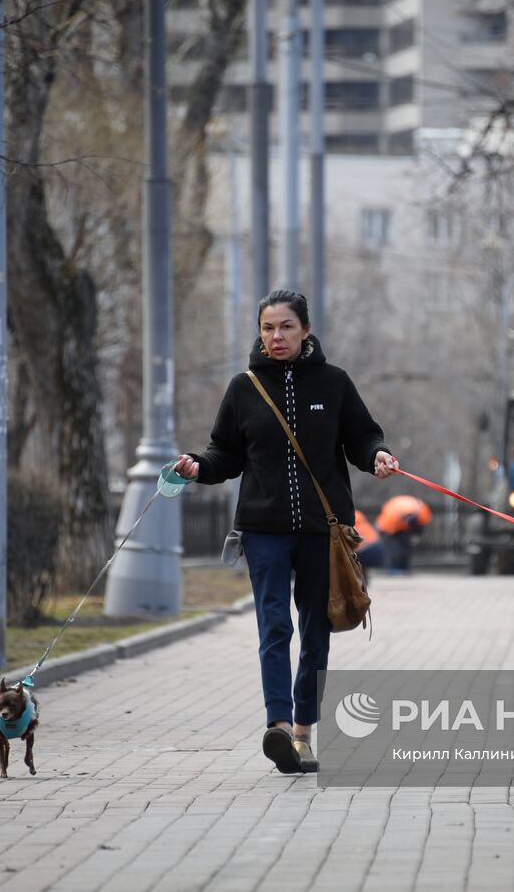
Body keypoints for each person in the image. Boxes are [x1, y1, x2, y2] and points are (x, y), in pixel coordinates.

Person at [174, 290, 398, 776]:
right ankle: (278, 727)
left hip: (323, 531)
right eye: (268, 329)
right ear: (260, 333)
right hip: (263, 530)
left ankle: (304, 732)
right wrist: (198, 468)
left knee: (316, 630)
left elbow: (362, 436)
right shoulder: (243, 388)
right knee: (275, 626)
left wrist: (376, 455)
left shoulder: (334, 383)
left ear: (306, 331)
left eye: (286, 328)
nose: (277, 337)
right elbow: (225, 454)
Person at [374, 495, 433, 574]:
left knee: (398, 547)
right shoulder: (417, 510)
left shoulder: (415, 509)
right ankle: (397, 568)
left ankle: (400, 567)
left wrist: (414, 535)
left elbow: (413, 522)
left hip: (394, 523)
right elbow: (413, 522)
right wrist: (415, 535)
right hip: (392, 525)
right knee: (397, 548)